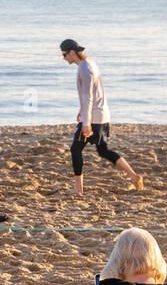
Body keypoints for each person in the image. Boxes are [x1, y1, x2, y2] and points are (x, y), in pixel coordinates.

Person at [60, 38, 144, 197]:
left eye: (64, 54)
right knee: (103, 151)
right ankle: (134, 177)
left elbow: (89, 97)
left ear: (72, 52)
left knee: (75, 149)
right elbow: (92, 93)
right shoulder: (90, 64)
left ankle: (78, 190)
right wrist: (81, 109)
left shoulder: (85, 69)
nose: (63, 58)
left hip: (94, 119)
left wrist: (86, 123)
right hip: (102, 114)